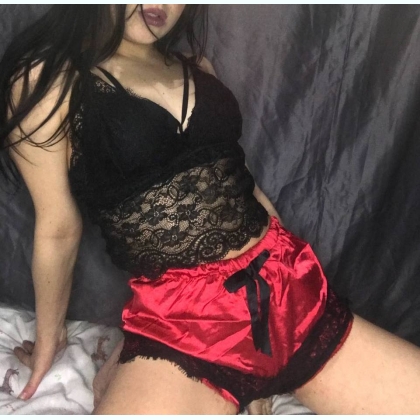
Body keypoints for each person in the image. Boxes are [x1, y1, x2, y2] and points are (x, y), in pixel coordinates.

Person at [1, 4, 420, 415]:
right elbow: (58, 227)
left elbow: (242, 183)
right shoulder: (47, 78)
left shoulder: (197, 67)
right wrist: (49, 341)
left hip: (285, 288)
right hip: (186, 327)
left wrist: (294, 271)